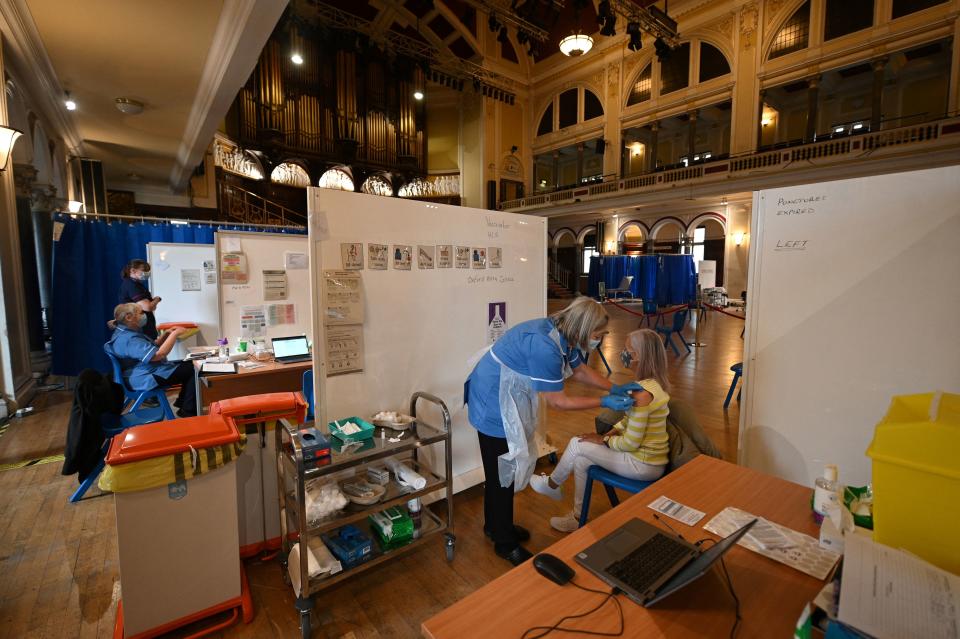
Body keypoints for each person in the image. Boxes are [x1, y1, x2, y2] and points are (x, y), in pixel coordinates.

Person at [464, 296, 640, 565]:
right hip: (493, 398)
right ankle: (503, 541)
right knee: (503, 469)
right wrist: (604, 401)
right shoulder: (545, 345)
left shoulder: (564, 334)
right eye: (597, 334)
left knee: (502, 469)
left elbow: (579, 371)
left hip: (507, 392)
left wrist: (611, 386)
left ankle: (496, 526)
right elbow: (558, 401)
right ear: (582, 329)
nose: (599, 339)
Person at [530, 328, 671, 532]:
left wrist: (603, 441)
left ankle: (551, 484)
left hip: (643, 464)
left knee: (576, 443)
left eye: (627, 350)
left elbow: (631, 443)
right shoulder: (653, 385)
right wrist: (607, 434)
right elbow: (629, 420)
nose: (622, 354)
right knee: (581, 460)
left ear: (638, 356)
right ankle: (577, 517)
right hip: (649, 461)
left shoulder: (641, 394)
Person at [104, 303, 197, 417]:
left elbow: (153, 346)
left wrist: (167, 334)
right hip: (144, 377)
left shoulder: (125, 333)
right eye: (141, 312)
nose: (144, 315)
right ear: (129, 317)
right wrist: (175, 334)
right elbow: (158, 355)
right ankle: (188, 411)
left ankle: (185, 406)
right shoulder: (129, 339)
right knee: (194, 368)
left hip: (142, 371)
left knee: (190, 364)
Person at [118, 259, 161, 341]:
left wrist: (152, 303)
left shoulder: (137, 285)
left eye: (148, 270)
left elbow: (151, 307)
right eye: (144, 270)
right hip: (139, 328)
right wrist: (157, 299)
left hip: (144, 327)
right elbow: (148, 307)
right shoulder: (132, 286)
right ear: (133, 270)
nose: (147, 273)